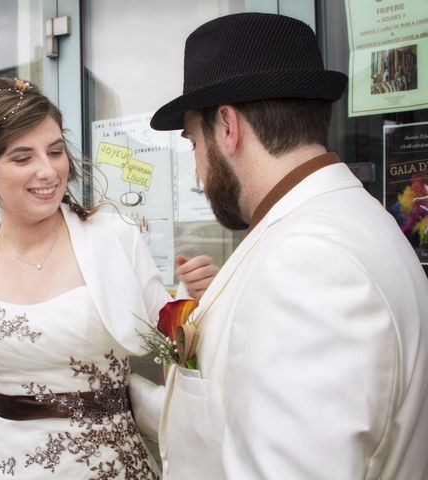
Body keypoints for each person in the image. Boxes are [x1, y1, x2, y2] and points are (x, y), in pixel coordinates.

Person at [148, 12, 428, 479]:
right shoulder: (343, 222)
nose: (197, 168)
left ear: (228, 127)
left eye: (193, 141)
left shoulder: (309, 264)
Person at [0, 76, 216, 479]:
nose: (48, 170)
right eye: (22, 158)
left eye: (55, 151)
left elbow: (172, 342)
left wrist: (199, 300)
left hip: (115, 466)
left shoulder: (115, 239)